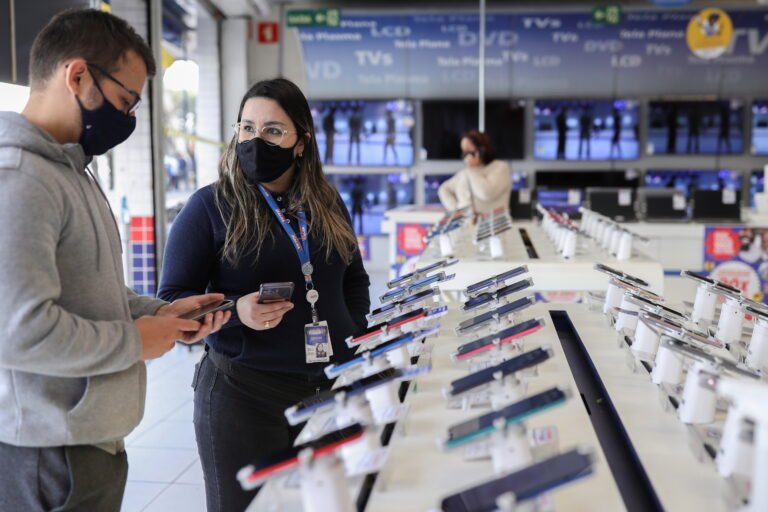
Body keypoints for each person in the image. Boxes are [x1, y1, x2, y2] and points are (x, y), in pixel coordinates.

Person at [0, 9, 229, 511]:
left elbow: (91, 290)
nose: (127, 119)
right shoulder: (20, 177)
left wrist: (155, 315)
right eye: (124, 101)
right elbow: (18, 331)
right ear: (77, 75)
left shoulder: (71, 170)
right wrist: (134, 342)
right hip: (49, 451)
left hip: (87, 440)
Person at [158, 77, 371, 511]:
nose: (257, 140)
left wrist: (353, 334)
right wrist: (237, 312)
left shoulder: (327, 202)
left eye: (273, 130)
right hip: (243, 397)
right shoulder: (209, 208)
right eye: (247, 128)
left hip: (328, 392)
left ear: (301, 142)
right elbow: (170, 304)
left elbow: (354, 278)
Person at [437, 130, 511, 215]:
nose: (466, 155)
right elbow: (444, 189)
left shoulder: (500, 167)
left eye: (468, 149)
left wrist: (473, 169)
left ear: (481, 149)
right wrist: (456, 210)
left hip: (492, 225)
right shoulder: (465, 173)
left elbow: (486, 193)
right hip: (466, 224)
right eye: (464, 151)